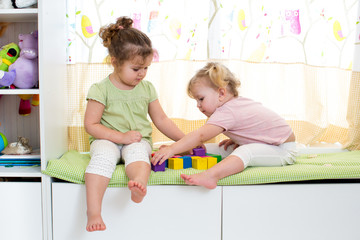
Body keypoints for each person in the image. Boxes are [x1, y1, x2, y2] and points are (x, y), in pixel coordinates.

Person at [84, 16, 185, 232]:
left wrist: (185, 140)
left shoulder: (147, 88)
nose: (142, 74)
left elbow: (162, 120)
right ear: (114, 62)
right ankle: (93, 211)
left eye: (146, 68)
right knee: (102, 158)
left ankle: (138, 184)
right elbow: (91, 125)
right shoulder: (100, 89)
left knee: (140, 154)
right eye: (136, 68)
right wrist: (120, 138)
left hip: (137, 140)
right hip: (106, 139)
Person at [152, 62, 297, 189]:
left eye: (201, 99)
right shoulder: (233, 106)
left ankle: (211, 176)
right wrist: (239, 139)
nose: (198, 105)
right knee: (211, 150)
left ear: (221, 93)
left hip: (282, 150)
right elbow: (257, 127)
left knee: (246, 152)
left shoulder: (228, 111)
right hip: (269, 144)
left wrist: (173, 148)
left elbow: (200, 136)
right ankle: (177, 154)